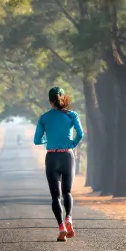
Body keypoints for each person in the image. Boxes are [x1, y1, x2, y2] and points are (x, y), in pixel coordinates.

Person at [34, 87, 84, 242]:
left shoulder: (44, 117)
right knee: (67, 192)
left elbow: (37, 140)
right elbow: (80, 134)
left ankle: (61, 226)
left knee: (55, 196)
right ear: (63, 98)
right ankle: (69, 217)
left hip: (52, 157)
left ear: (50, 101)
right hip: (67, 155)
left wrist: (47, 140)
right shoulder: (72, 115)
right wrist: (72, 144)